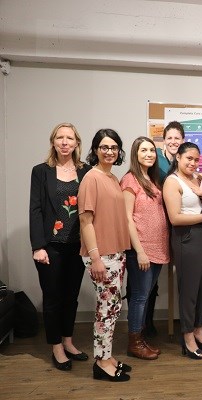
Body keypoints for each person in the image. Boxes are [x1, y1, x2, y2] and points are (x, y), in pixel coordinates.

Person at [29, 122, 92, 371]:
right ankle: (55, 345)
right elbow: (35, 209)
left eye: (69, 138)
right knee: (53, 297)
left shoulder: (86, 171)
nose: (65, 142)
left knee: (71, 297)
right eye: (60, 137)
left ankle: (68, 341)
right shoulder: (40, 171)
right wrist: (38, 246)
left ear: (77, 143)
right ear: (53, 141)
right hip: (50, 246)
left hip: (78, 245)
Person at [78, 128, 131, 381]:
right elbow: (86, 222)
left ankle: (107, 355)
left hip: (115, 252)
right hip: (102, 254)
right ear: (96, 150)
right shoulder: (92, 178)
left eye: (114, 147)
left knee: (113, 307)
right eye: (104, 147)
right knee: (106, 309)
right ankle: (100, 363)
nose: (109, 151)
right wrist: (96, 257)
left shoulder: (112, 177)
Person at [162, 142, 202, 360]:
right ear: (177, 157)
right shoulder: (172, 182)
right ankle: (187, 335)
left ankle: (199, 329)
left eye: (196, 159)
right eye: (188, 158)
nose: (193, 163)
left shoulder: (199, 178)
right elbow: (175, 218)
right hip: (187, 237)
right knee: (189, 291)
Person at [120, 137, 170, 360]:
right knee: (140, 297)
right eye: (144, 150)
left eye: (152, 150)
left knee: (146, 295)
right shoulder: (130, 180)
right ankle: (134, 343)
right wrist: (139, 250)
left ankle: (140, 339)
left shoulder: (153, 180)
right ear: (135, 154)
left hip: (158, 247)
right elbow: (127, 218)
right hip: (141, 248)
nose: (149, 154)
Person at [145, 121, 185, 337]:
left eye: (177, 138)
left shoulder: (183, 160)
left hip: (174, 222)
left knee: (158, 273)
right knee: (148, 279)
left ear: (183, 141)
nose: (173, 142)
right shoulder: (156, 159)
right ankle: (144, 324)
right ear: (163, 140)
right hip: (154, 220)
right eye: (169, 138)